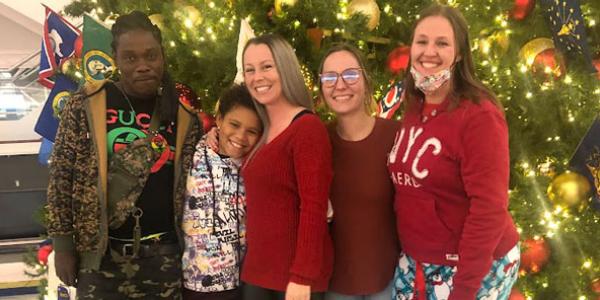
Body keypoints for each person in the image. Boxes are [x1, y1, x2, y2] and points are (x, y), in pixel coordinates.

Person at [46, 11, 202, 299]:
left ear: (162, 57)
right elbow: (60, 178)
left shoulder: (183, 119)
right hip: (101, 257)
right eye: (131, 58)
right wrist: (63, 245)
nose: (143, 66)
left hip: (165, 258)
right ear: (116, 59)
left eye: (151, 56)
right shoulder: (86, 106)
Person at [387, 4, 520, 300]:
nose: (429, 51)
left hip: (470, 267)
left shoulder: (479, 115)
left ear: (459, 53)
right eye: (421, 41)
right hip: (417, 260)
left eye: (442, 43)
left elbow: (488, 209)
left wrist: (465, 289)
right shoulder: (414, 105)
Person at [240, 34, 334, 300]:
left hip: (293, 280)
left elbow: (314, 207)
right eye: (250, 70)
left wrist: (302, 277)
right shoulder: (262, 130)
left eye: (267, 66)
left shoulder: (307, 129)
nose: (257, 77)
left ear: (285, 67)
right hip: (258, 272)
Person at [316, 44, 400, 300]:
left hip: (389, 280)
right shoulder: (316, 140)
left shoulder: (396, 135)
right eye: (330, 77)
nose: (340, 85)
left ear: (365, 80)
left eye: (350, 74)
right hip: (335, 284)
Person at [182, 84, 263, 300]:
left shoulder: (257, 167)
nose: (240, 136)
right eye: (234, 125)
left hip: (238, 284)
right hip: (191, 281)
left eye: (251, 131)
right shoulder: (193, 152)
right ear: (219, 120)